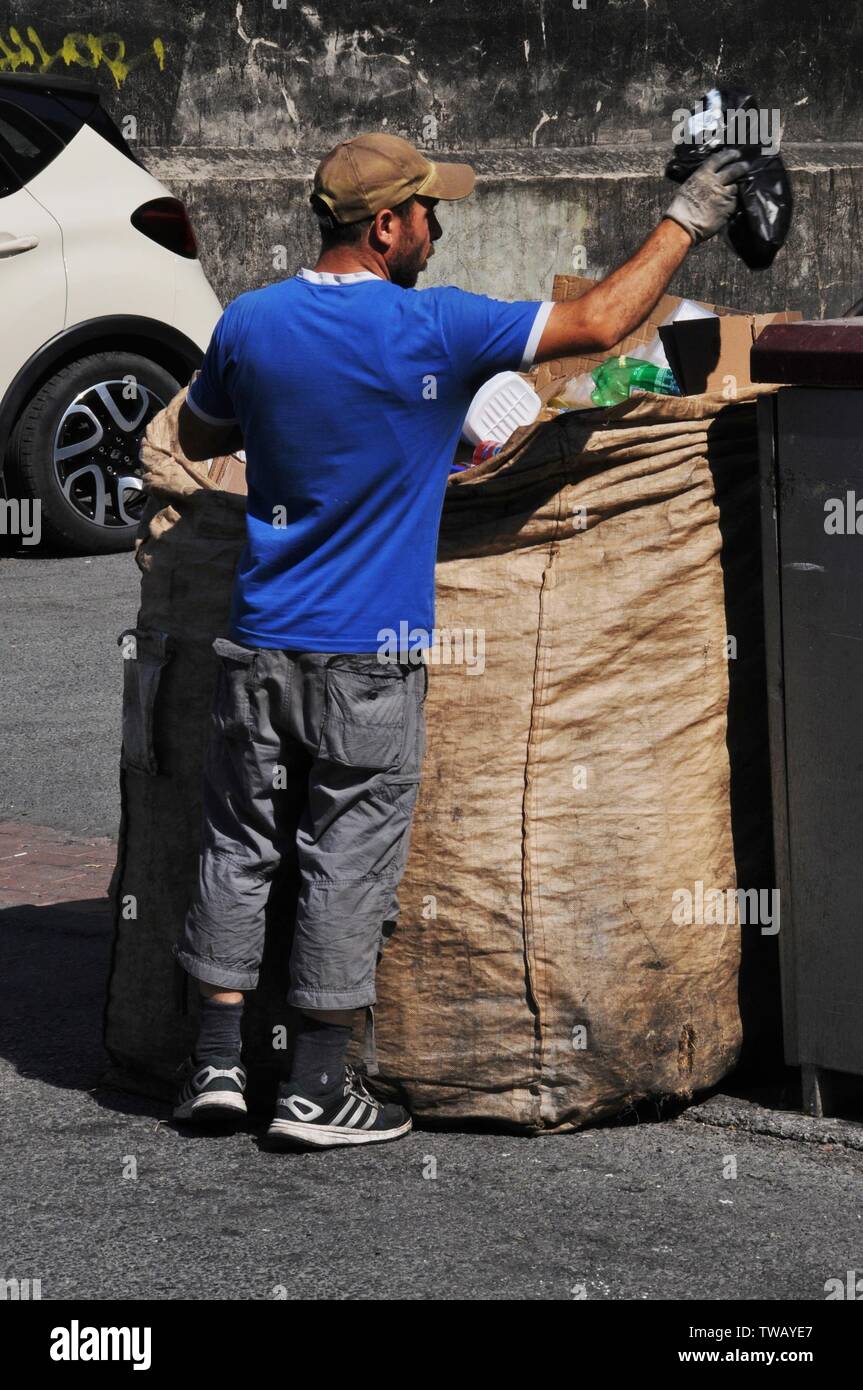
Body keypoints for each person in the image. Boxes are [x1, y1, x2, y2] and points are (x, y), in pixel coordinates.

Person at [171, 131, 746, 1149]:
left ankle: (214, 1068)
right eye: (430, 212)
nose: (438, 230)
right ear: (385, 224)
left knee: (238, 845)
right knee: (345, 857)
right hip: (369, 654)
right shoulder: (434, 329)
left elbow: (204, 435)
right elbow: (606, 320)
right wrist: (689, 216)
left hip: (256, 645)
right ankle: (311, 1089)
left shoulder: (250, 322)